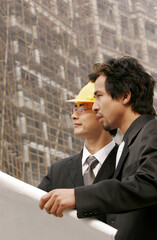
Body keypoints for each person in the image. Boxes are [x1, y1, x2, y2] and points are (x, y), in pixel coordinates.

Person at [39, 56, 157, 240]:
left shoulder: (152, 131)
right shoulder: (130, 143)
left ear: (125, 96)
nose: (94, 107)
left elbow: (150, 184)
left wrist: (79, 197)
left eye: (99, 96)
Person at [38, 82, 118, 196]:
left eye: (81, 109)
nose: (74, 116)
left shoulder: (127, 164)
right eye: (74, 109)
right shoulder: (58, 172)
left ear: (102, 111)